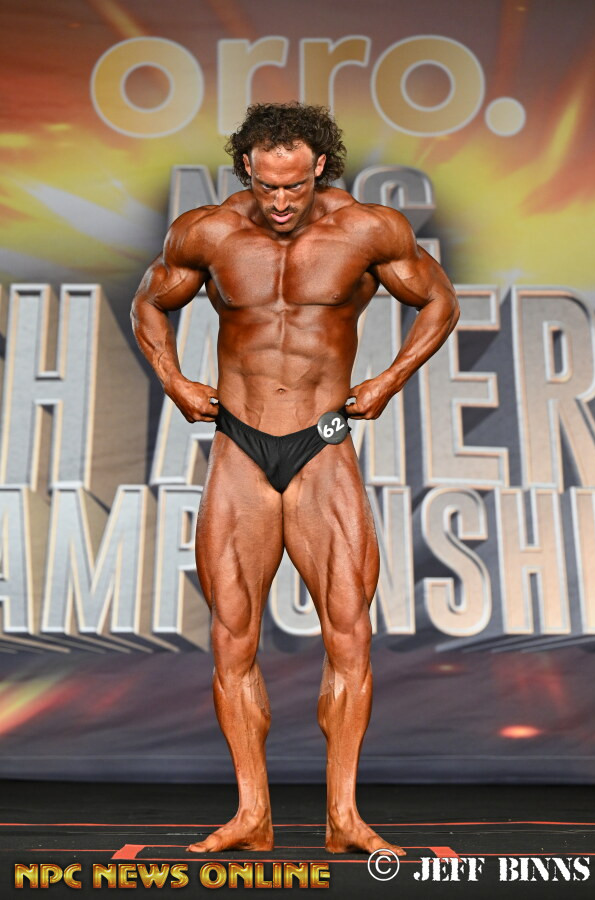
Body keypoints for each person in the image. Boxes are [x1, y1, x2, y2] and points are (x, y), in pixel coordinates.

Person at [131, 102, 459, 855]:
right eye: (268, 186)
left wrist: (390, 379)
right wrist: (174, 381)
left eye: (296, 187)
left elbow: (438, 299)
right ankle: (253, 814)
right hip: (240, 445)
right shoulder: (207, 232)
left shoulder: (369, 230)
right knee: (231, 637)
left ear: (321, 168)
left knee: (350, 635)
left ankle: (344, 816)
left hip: (323, 443)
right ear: (247, 168)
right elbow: (150, 302)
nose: (281, 202)